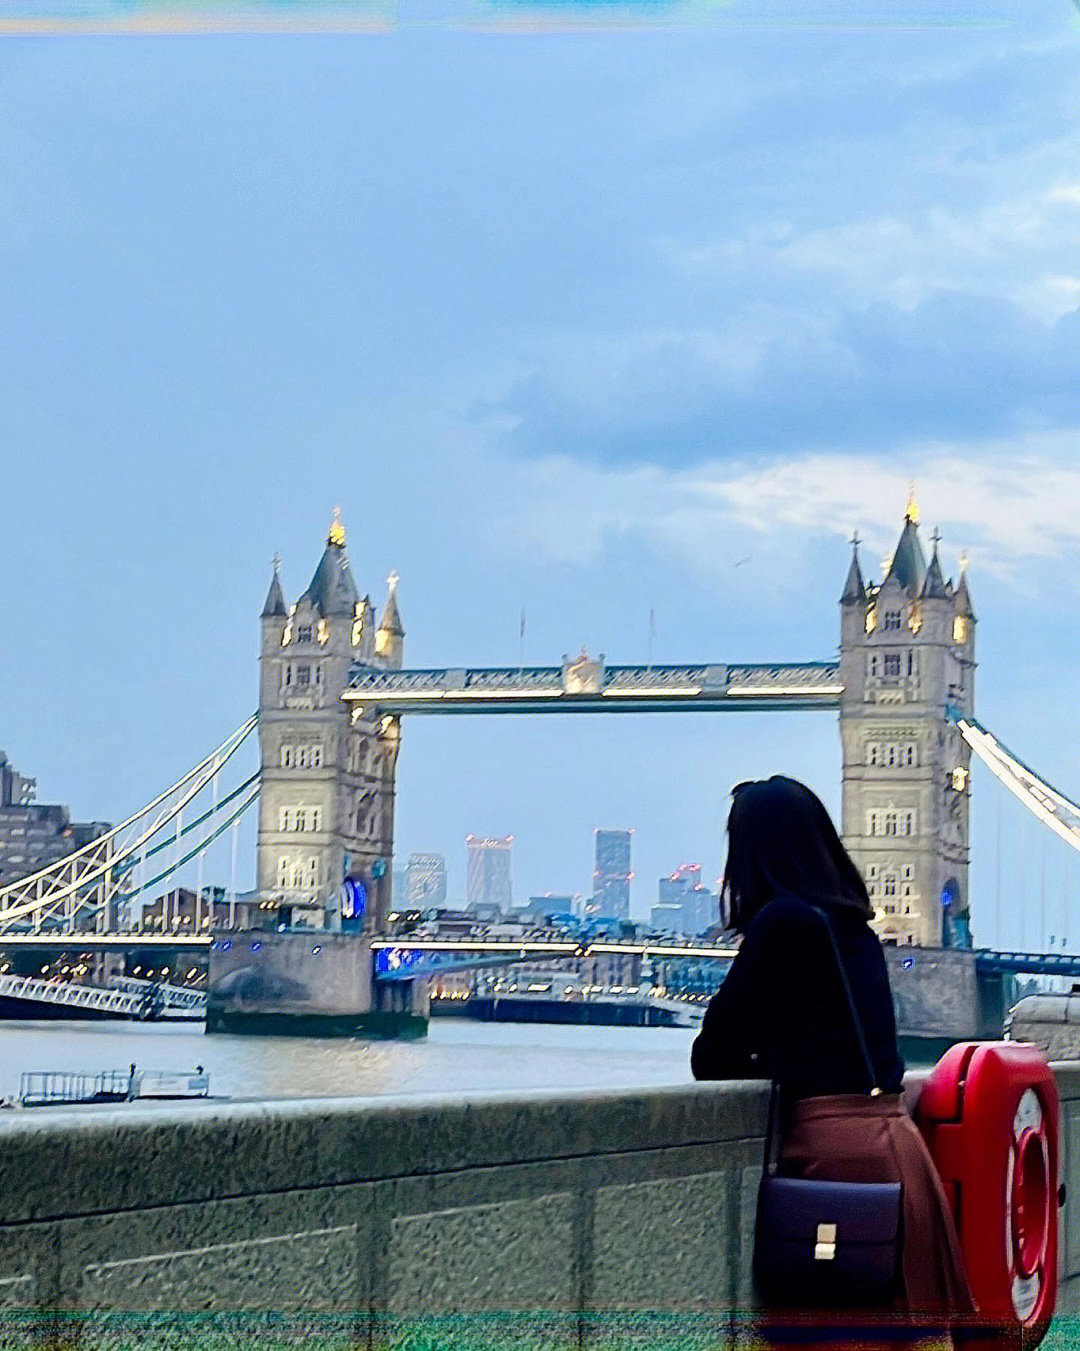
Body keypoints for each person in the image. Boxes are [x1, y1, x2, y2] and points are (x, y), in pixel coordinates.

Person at [692, 776, 974, 1341]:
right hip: (895, 1145)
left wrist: (775, 1060)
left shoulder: (782, 924)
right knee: (906, 1335)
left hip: (836, 1156)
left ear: (756, 850)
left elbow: (710, 1055)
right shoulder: (854, 927)